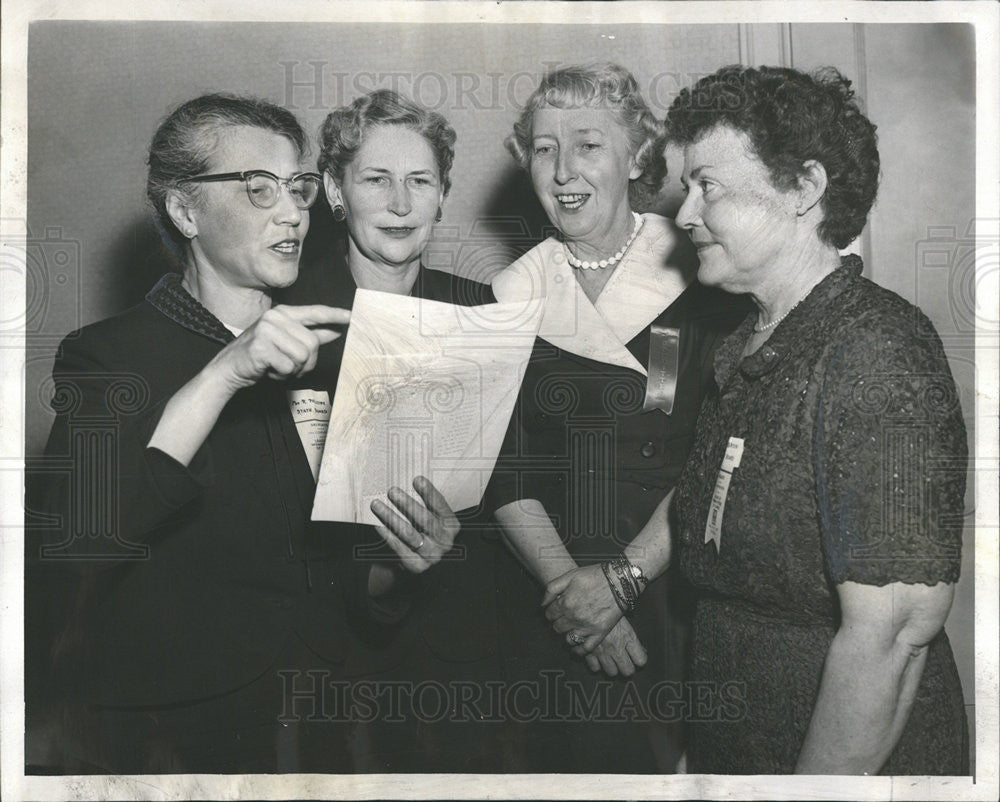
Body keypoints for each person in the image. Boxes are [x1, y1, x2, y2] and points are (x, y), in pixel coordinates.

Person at [545, 65, 969, 775]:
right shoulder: (749, 342)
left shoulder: (880, 349)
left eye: (708, 186)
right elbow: (710, 506)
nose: (683, 214)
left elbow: (893, 637)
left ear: (803, 188)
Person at [25, 93, 442, 774]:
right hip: (173, 740)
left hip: (318, 726)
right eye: (258, 189)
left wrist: (400, 567)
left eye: (300, 190)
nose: (291, 212)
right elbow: (82, 546)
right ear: (185, 210)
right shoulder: (106, 354)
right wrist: (225, 373)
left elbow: (327, 570)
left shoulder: (329, 350)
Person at [485, 64, 746, 773]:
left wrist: (622, 583)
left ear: (637, 157)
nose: (563, 169)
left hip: (678, 581)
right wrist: (577, 601)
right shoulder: (509, 295)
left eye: (588, 145)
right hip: (555, 601)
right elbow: (501, 470)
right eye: (543, 148)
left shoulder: (701, 273)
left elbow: (720, 447)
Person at [277, 88, 502, 772]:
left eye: (420, 181)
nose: (401, 204)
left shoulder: (481, 311)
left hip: (448, 640)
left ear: (442, 197)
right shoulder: (284, 316)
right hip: (313, 646)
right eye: (376, 179)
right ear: (336, 193)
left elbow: (502, 485)